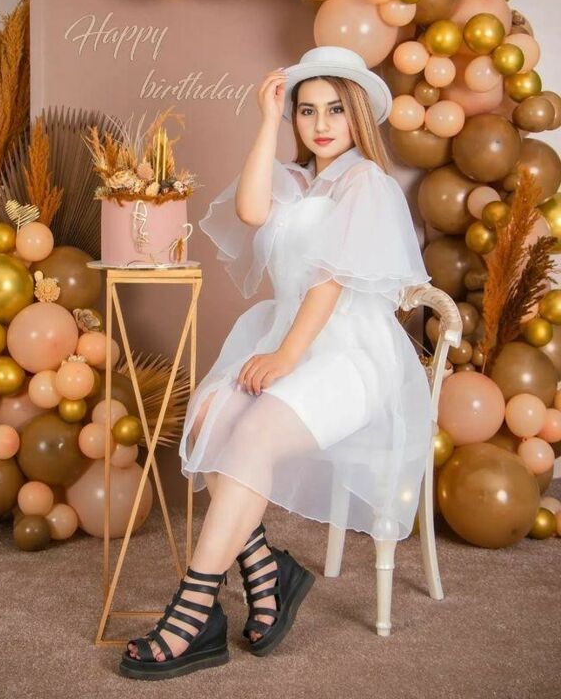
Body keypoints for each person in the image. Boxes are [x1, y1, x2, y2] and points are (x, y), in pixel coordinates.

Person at [120, 46, 433, 681]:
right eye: (306, 110)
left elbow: (331, 280)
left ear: (358, 116)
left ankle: (195, 610)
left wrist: (288, 355)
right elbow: (251, 210)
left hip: (345, 351)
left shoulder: (366, 184)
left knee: (255, 433)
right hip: (283, 334)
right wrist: (266, 120)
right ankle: (266, 570)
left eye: (335, 110)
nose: (321, 124)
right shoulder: (295, 178)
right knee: (209, 419)